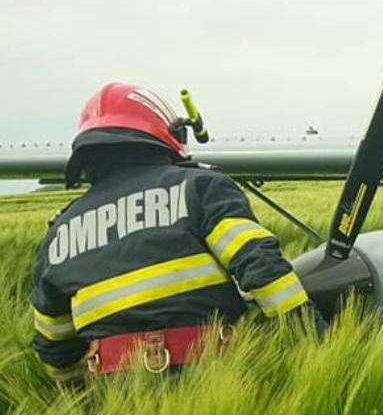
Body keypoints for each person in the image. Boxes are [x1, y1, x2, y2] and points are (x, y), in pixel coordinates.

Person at [30, 82, 324, 380]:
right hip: (214, 378)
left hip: (114, 396)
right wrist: (317, 344)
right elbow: (263, 270)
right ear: (163, 132)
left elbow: (55, 352)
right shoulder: (199, 187)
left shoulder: (58, 235)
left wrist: (86, 405)